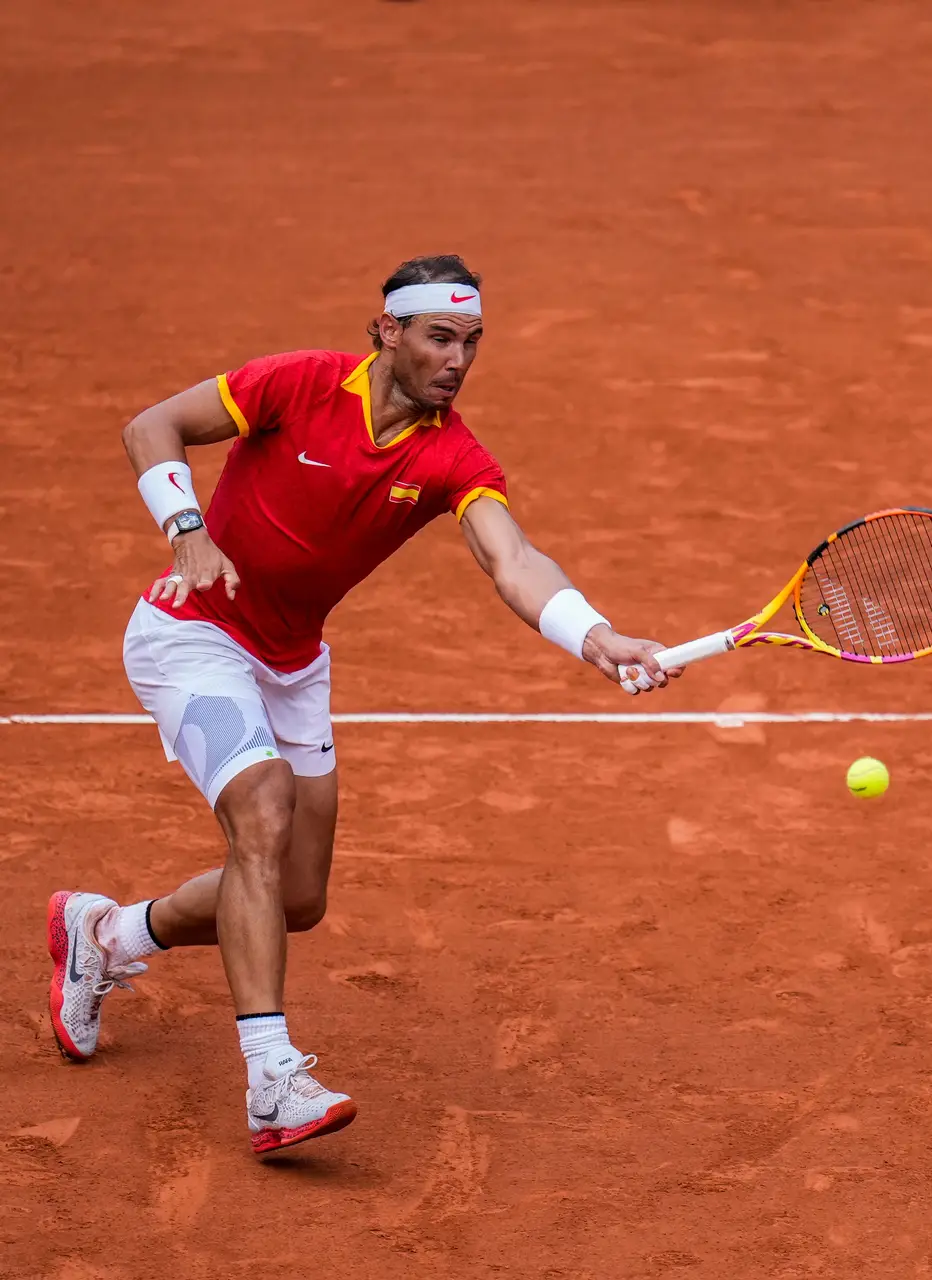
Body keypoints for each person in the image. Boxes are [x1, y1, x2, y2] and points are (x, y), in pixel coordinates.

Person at [47, 254, 679, 1154]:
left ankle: (106, 934)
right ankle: (272, 1079)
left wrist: (597, 633)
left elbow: (514, 560)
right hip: (190, 637)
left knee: (296, 896)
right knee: (261, 812)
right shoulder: (299, 385)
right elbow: (151, 427)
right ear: (387, 332)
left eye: (472, 342)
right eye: (439, 337)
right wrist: (186, 532)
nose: (457, 360)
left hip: (292, 665)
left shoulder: (454, 456)